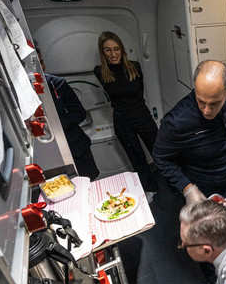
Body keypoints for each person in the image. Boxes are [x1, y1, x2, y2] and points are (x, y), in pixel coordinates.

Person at [153, 60, 226, 212]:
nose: (207, 111)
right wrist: (187, 188)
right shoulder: (177, 121)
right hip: (204, 195)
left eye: (214, 103)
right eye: (201, 102)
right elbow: (160, 157)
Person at [94, 31, 158, 192]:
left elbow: (140, 94)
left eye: (116, 49)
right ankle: (149, 190)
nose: (113, 53)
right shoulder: (100, 72)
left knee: (159, 152)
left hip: (142, 115)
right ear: (102, 53)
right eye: (107, 50)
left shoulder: (135, 66)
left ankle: (172, 186)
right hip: (122, 120)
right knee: (137, 159)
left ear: (122, 49)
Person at [38, 50, 99, 180]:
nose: (40, 67)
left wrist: (54, 125)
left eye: (41, 62)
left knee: (89, 180)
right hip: (48, 152)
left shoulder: (58, 83)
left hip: (76, 145)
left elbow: (80, 113)